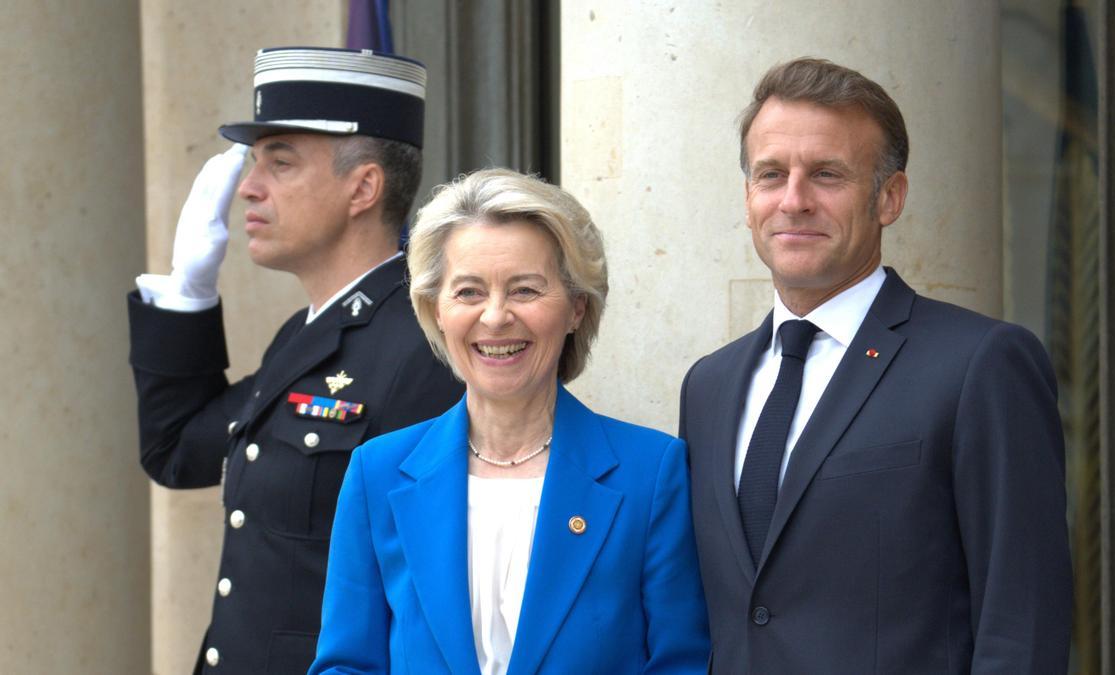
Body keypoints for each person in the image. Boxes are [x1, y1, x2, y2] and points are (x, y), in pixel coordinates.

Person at [679, 57, 1073, 673]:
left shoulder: (981, 365)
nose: (794, 200)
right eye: (771, 174)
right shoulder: (709, 386)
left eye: (827, 175)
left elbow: (1021, 624)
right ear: (749, 196)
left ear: (889, 197)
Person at [127, 47, 463, 673]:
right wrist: (187, 294)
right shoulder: (305, 333)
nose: (249, 188)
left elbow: (432, 597)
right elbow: (177, 450)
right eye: (255, 164)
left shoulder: (426, 346)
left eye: (280, 164)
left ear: (363, 187)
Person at [309, 168, 710, 674]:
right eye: (470, 292)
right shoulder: (378, 473)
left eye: (524, 290)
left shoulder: (650, 473)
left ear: (576, 309)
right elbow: (347, 665)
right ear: (436, 310)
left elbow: (682, 664)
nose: (495, 317)